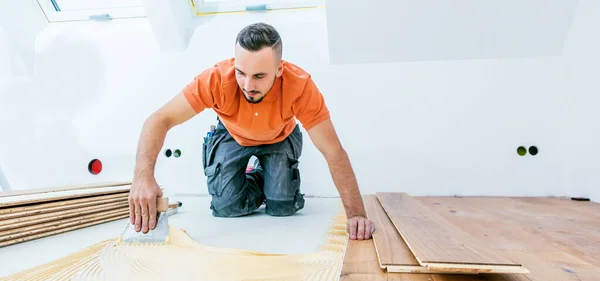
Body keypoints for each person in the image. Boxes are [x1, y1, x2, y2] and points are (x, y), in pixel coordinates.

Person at [128, 22, 374, 240]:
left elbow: (333, 151)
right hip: (232, 134)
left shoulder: (300, 86)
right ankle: (259, 176)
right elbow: (158, 120)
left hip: (280, 136)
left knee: (282, 207)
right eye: (241, 73)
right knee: (226, 207)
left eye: (259, 76)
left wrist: (356, 215)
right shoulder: (215, 80)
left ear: (279, 70)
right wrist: (142, 178)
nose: (247, 85)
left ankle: (267, 178)